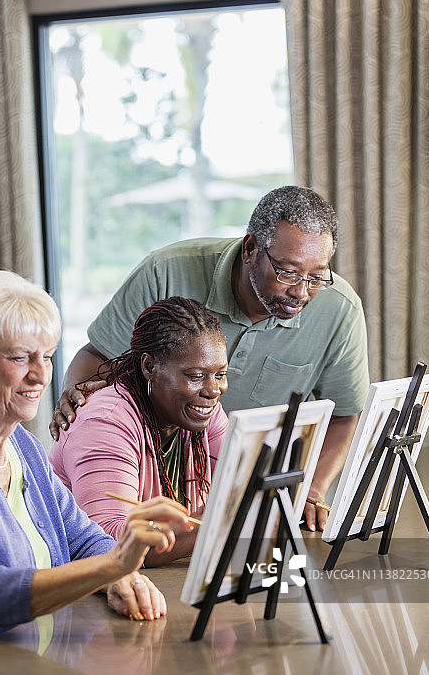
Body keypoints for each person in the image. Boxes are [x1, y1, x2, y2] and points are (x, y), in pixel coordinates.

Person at [50, 185, 370, 532]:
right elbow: (98, 356)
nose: (302, 291)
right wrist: (79, 409)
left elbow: (344, 416)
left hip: (198, 487)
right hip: (137, 483)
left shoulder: (339, 308)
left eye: (316, 276)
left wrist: (307, 491)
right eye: (288, 273)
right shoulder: (165, 272)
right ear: (250, 249)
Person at [0, 271, 192, 670]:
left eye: (46, 355)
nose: (41, 374)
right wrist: (114, 565)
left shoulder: (22, 445)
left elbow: (81, 539)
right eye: (19, 357)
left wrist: (119, 574)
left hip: (35, 671)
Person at [49, 297, 229, 566]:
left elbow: (237, 487)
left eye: (220, 374)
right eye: (195, 376)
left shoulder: (201, 410)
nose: (213, 390)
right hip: (84, 588)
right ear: (149, 367)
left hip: (157, 579)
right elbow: (110, 542)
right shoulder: (105, 422)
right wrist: (224, 519)